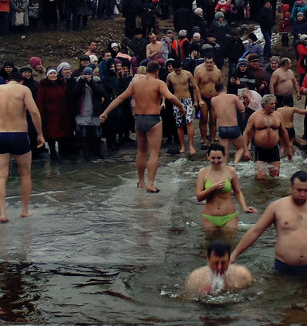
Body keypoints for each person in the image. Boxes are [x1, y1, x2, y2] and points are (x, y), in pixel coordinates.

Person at [99, 60, 183, 193]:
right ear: (156, 72)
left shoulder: (135, 84)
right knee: (154, 153)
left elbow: (120, 98)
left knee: (141, 151)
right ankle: (150, 183)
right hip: (153, 119)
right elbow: (171, 97)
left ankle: (141, 181)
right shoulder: (158, 83)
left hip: (138, 119)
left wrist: (105, 112)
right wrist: (181, 107)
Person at [0, 74, 44, 222]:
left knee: (1, 175)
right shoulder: (24, 89)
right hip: (19, 133)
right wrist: (40, 133)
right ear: (20, 81)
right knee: (25, 173)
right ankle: (25, 210)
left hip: (0, 134)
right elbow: (34, 112)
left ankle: (2, 213)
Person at [195, 145, 256, 232]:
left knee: (230, 242)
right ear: (208, 157)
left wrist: (244, 207)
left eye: (219, 158)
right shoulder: (203, 172)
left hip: (229, 215)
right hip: (209, 216)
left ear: (224, 156)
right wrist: (212, 188)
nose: (216, 161)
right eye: (213, 158)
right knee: (209, 243)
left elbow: (237, 192)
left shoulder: (231, 171)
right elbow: (199, 197)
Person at [243, 94, 292, 179]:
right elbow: (245, 133)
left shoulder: (278, 115)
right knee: (260, 178)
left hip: (274, 149)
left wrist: (289, 148)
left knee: (275, 177)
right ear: (264, 105)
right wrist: (246, 150)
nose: (274, 106)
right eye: (271, 104)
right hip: (260, 149)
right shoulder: (255, 116)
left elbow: (284, 132)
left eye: (274, 103)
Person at [185, 240, 254, 297]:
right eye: (216, 263)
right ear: (208, 259)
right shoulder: (195, 278)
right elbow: (187, 300)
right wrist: (200, 295)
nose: (219, 267)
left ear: (229, 259)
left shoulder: (242, 275)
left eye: (223, 263)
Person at [209, 82, 247, 162]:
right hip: (233, 127)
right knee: (241, 148)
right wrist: (239, 100)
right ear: (225, 88)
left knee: (224, 153)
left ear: (216, 90)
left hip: (222, 128)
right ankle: (235, 163)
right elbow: (242, 108)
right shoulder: (233, 97)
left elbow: (213, 115)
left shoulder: (213, 100)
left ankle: (224, 167)